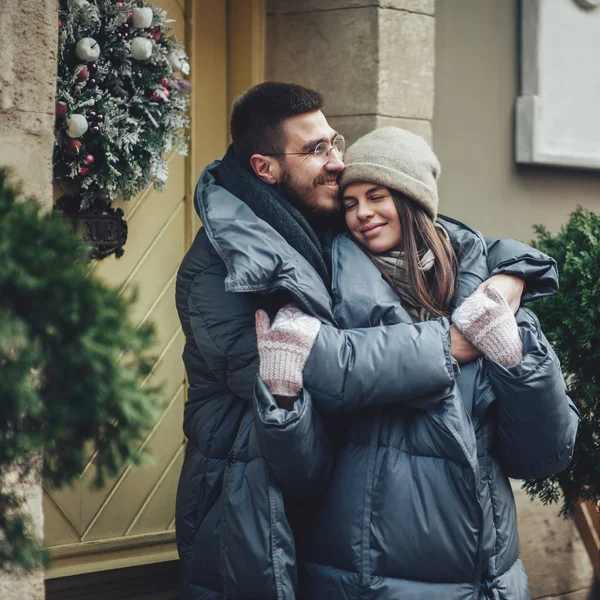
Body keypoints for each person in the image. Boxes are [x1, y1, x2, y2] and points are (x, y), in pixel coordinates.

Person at [175, 82, 561, 600]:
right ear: (265, 167)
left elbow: (450, 234)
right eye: (316, 150)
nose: (337, 162)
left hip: (464, 557)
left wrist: (512, 274)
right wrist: (448, 343)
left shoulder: (328, 222)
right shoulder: (226, 265)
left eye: (334, 141)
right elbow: (321, 370)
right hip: (252, 505)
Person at [255, 127, 579, 599]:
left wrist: (516, 363)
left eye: (377, 196)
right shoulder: (327, 297)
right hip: (365, 573)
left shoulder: (489, 293)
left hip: (486, 574)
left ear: (412, 199)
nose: (362, 213)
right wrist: (284, 401)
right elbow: (302, 474)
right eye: (349, 203)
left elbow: (542, 455)